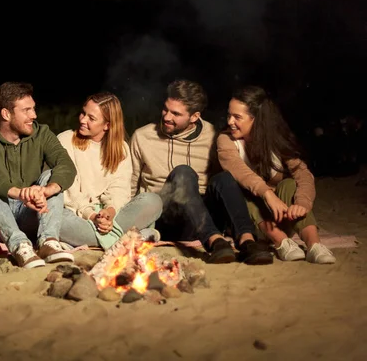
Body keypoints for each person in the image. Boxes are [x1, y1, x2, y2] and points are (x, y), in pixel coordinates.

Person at [130, 79, 273, 265]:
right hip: (166, 217)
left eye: (176, 113)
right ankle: (215, 243)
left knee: (224, 177)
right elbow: (131, 183)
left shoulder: (213, 135)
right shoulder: (143, 136)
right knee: (183, 173)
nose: (166, 117)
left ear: (194, 116)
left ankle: (247, 242)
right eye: (166, 109)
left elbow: (227, 183)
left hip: (205, 215)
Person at [0, 82, 77, 268]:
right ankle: (20, 246)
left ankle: (48, 241)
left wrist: (46, 191)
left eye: (33, 109)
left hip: (33, 211)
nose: (34, 115)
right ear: (6, 114)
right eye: (26, 110)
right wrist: (19, 193)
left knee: (50, 175)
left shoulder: (42, 133)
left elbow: (65, 164)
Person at [217, 85, 336, 264]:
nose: (230, 122)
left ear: (256, 119)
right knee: (240, 192)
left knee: (289, 184)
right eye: (229, 115)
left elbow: (303, 175)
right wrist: (268, 194)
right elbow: (240, 172)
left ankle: (314, 245)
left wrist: (302, 203)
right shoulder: (226, 140)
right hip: (251, 220)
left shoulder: (276, 140)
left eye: (237, 117)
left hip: (281, 215)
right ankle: (282, 243)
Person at [57, 92, 163, 249]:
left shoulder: (121, 149)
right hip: (78, 214)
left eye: (91, 118)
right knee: (55, 219)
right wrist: (92, 216)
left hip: (111, 216)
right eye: (83, 113)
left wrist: (109, 213)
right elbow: (70, 194)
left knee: (153, 201)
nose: (82, 120)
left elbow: (119, 189)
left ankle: (100, 239)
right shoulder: (66, 140)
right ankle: (134, 236)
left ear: (107, 125)